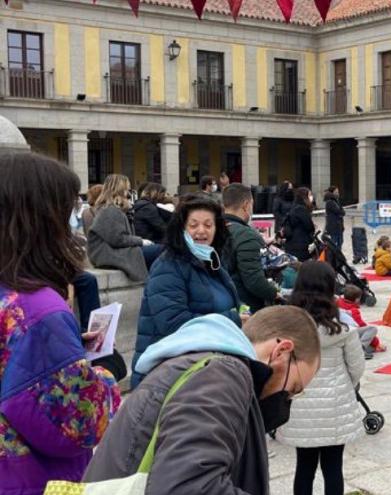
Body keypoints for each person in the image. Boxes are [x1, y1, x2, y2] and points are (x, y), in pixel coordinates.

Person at [83, 307, 321, 494]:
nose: (286, 399)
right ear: (281, 351)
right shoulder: (223, 374)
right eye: (293, 388)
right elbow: (186, 487)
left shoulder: (208, 365)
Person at [0, 152, 120, 495]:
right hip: (28, 480)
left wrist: (62, 350)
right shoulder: (37, 307)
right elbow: (77, 421)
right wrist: (105, 380)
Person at [132, 194, 242, 388]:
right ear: (181, 228)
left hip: (204, 370)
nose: (201, 231)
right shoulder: (168, 266)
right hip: (168, 377)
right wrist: (233, 320)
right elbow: (173, 323)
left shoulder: (211, 262)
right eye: (194, 225)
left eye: (208, 225)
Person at [280, 261, 366, 495]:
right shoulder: (342, 329)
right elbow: (357, 367)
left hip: (300, 404)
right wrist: (343, 384)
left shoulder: (287, 329)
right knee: (333, 468)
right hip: (335, 405)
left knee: (304, 467)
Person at [87, 174, 162, 281]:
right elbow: (118, 239)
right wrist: (141, 241)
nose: (129, 192)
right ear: (121, 190)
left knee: (160, 251)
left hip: (109, 253)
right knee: (161, 250)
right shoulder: (110, 210)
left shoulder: (111, 209)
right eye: (127, 189)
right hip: (108, 255)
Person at [222, 184, 280, 312]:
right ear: (246, 205)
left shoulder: (215, 229)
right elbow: (254, 280)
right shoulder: (246, 235)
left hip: (222, 303)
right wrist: (276, 294)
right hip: (245, 308)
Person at [337, 284, 383, 359]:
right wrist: (376, 343)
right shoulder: (353, 311)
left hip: (341, 333)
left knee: (371, 348)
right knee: (372, 329)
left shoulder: (338, 302)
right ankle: (360, 349)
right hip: (350, 331)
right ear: (357, 299)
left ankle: (351, 351)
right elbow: (362, 325)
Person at [283, 187, 316, 261]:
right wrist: (313, 226)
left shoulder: (295, 207)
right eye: (310, 195)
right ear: (304, 197)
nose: (311, 197)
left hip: (293, 245)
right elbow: (309, 226)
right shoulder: (301, 209)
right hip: (299, 246)